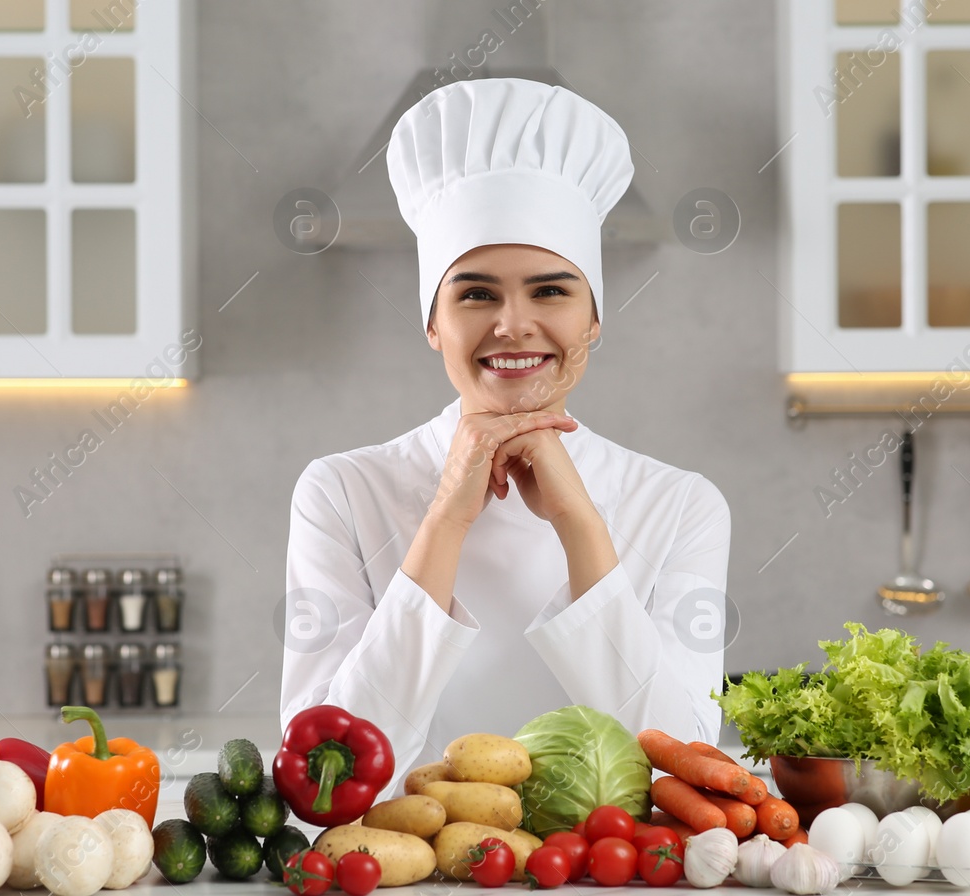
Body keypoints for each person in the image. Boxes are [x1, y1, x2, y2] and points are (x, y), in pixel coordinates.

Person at [280, 77, 732, 789]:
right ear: (433, 324)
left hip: (609, 884)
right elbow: (318, 782)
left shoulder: (679, 504)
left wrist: (581, 525)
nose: (513, 323)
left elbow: (689, 774)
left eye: (551, 290)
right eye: (476, 293)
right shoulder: (341, 492)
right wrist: (445, 520)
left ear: (594, 319)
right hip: (399, 880)